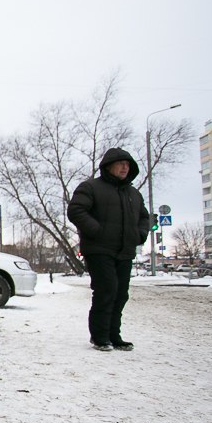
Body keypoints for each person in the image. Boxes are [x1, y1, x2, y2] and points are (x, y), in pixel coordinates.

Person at [67, 147, 150, 351]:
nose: (125, 167)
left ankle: (114, 335)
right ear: (108, 166)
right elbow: (76, 210)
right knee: (106, 290)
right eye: (121, 163)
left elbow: (145, 218)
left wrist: (139, 235)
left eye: (128, 164)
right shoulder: (91, 187)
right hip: (99, 250)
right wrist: (97, 230)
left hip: (124, 251)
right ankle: (100, 337)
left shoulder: (133, 194)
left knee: (121, 293)